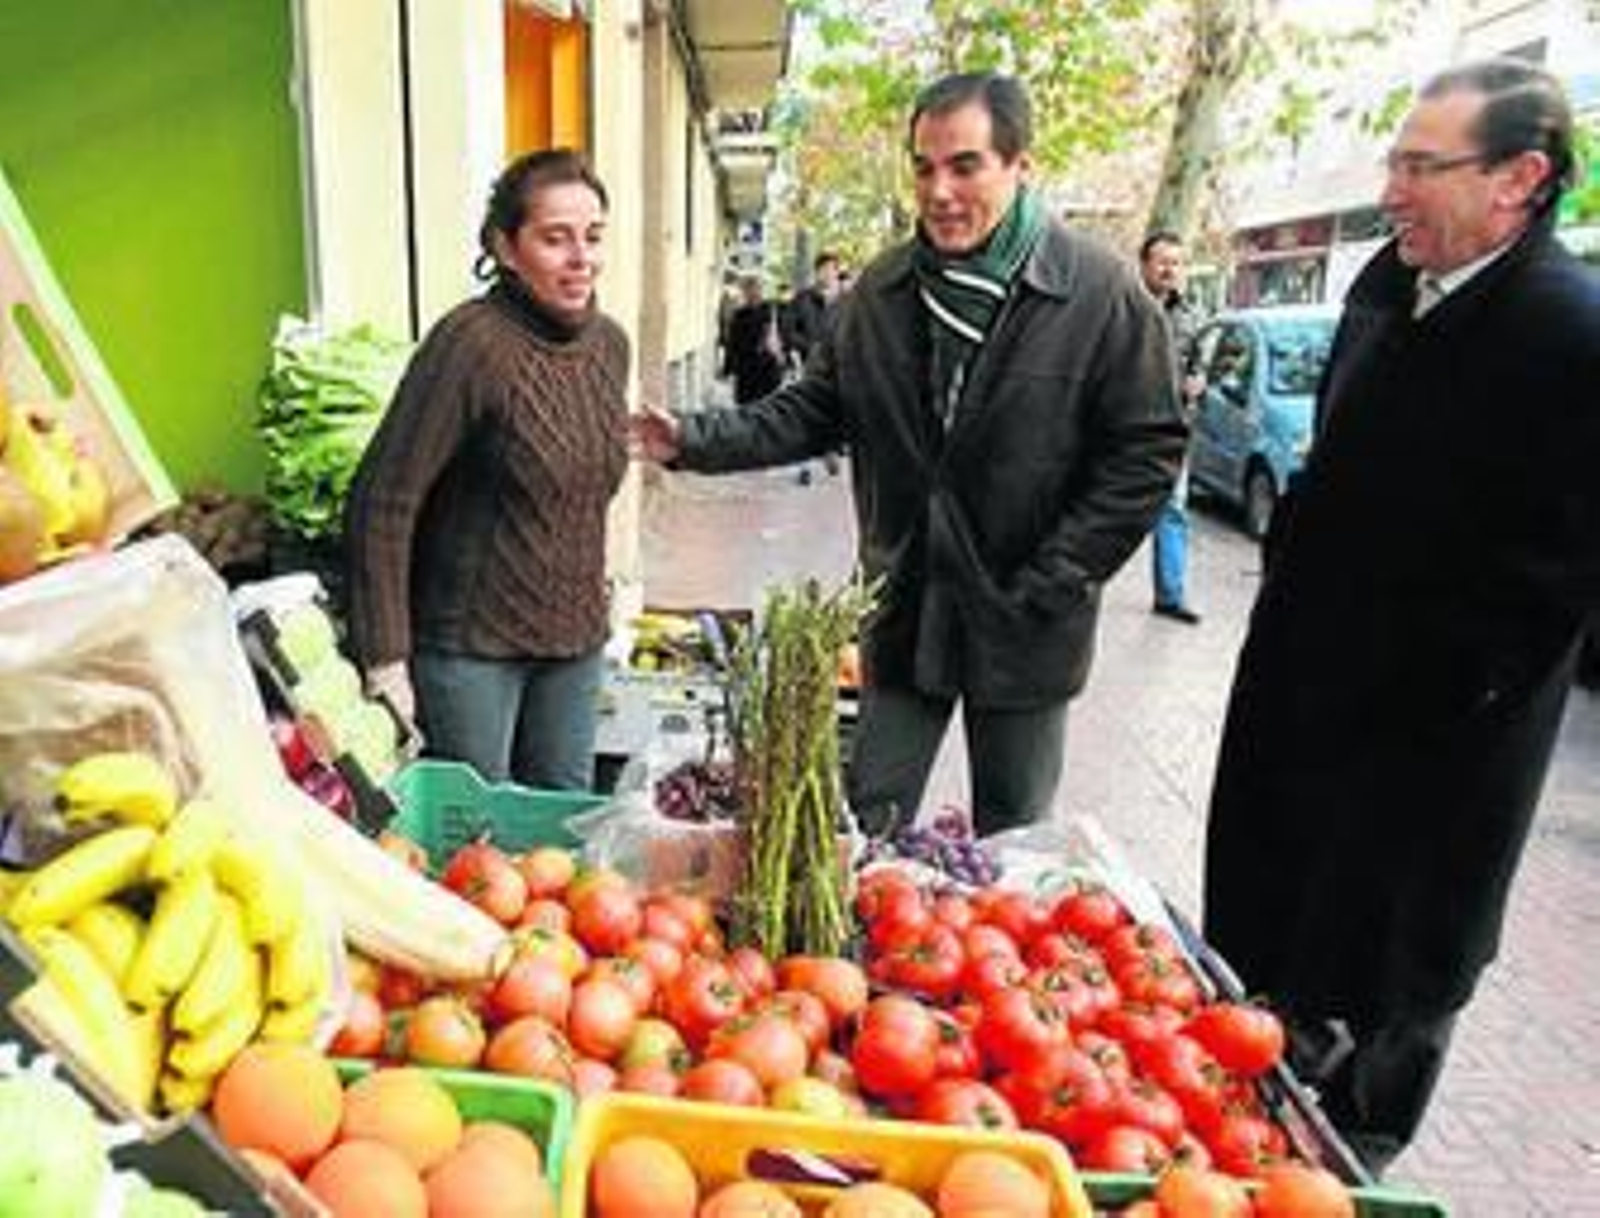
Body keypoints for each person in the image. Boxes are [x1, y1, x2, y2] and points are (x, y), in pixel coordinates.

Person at [1203, 59, 1600, 1174]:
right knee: (1252, 988)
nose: (1391, 188)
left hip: (1424, 775)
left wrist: (1400, 695)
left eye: (1421, 165)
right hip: (1293, 728)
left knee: (1367, 1032)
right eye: (1392, 159)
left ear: (1521, 178)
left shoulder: (1569, 335)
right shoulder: (1384, 291)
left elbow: (1542, 599)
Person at [633, 71, 1186, 835]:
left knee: (1015, 837)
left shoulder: (1101, 295)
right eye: (924, 167)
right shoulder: (880, 293)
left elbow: (1145, 455)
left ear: (1021, 167)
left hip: (1026, 617)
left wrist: (1057, 576)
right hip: (906, 607)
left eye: (965, 166)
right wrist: (692, 438)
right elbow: (812, 412)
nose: (940, 191)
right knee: (866, 823)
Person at [344, 148, 629, 791]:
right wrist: (385, 657)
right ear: (505, 247)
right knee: (477, 848)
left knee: (561, 846)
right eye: (555, 239)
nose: (581, 257)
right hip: (470, 655)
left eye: (593, 236)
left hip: (575, 649)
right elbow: (383, 500)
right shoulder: (469, 343)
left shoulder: (610, 345)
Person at [1137, 231, 1205, 624]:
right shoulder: (1120, 305)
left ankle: (1171, 595)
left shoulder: (1191, 316)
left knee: (1173, 511)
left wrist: (1199, 378)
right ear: (1144, 264)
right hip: (1117, 430)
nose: (1169, 269)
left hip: (1173, 431)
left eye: (1176, 263)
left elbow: (1202, 362)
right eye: (1162, 261)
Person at [722, 276, 787, 404]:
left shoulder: (772, 310)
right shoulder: (739, 315)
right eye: (748, 290)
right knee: (751, 407)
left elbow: (783, 335)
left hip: (766, 368)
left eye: (755, 289)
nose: (752, 293)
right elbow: (732, 343)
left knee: (762, 406)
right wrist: (728, 368)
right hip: (749, 370)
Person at [785, 251, 845, 367]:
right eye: (823, 269)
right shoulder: (802, 299)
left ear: (837, 272)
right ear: (816, 272)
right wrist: (810, 346)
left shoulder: (847, 300)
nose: (827, 274)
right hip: (810, 363)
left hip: (840, 363)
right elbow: (788, 330)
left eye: (831, 269)